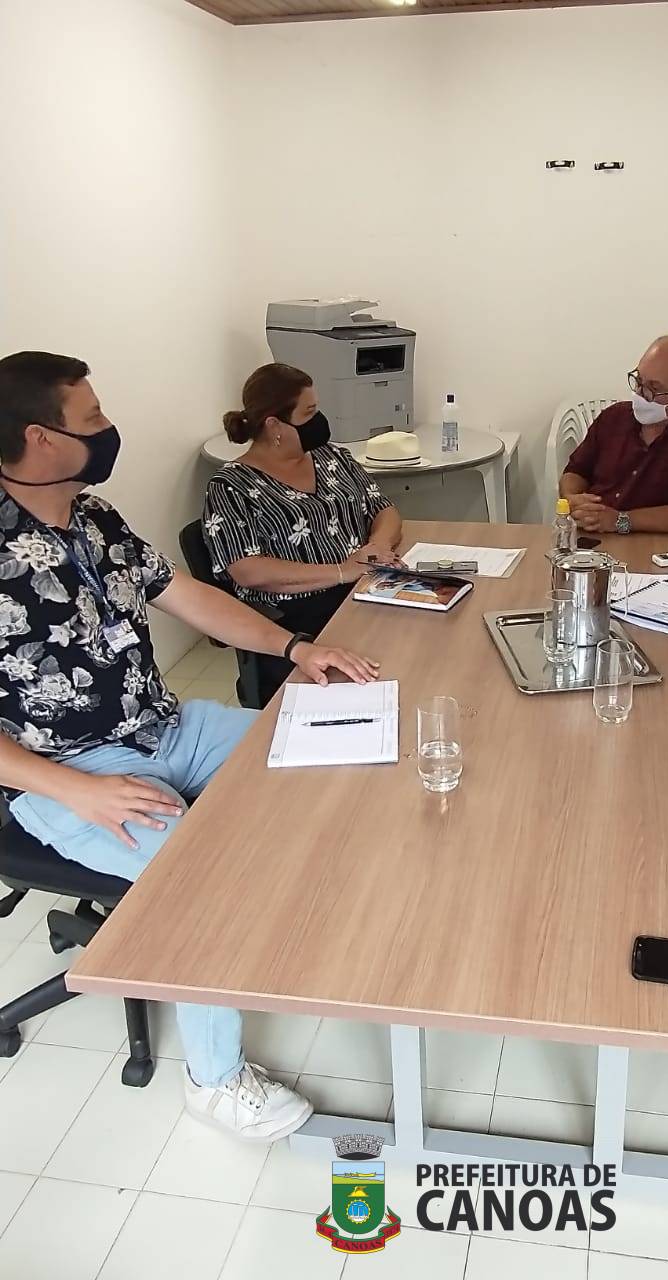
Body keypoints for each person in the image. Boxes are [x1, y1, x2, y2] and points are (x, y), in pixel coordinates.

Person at [0, 351, 380, 1140]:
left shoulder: (94, 516)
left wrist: (296, 650)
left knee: (342, 743)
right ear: (40, 438)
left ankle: (313, 921)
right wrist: (76, 790)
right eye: (93, 418)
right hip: (67, 770)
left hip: (168, 725)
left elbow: (186, 595)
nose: (110, 428)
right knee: (199, 879)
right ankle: (214, 1082)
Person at [203, 362, 402, 701]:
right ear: (274, 425)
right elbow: (247, 570)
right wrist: (340, 571)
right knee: (381, 674)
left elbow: (384, 508)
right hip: (297, 617)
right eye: (309, 413)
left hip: (363, 589)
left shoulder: (332, 457)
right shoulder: (230, 486)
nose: (319, 421)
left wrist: (377, 547)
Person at [560, 333, 668, 536]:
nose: (640, 394)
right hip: (593, 535)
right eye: (638, 381)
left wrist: (620, 521)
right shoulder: (613, 417)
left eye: (653, 388)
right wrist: (571, 499)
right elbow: (576, 471)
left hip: (659, 542)